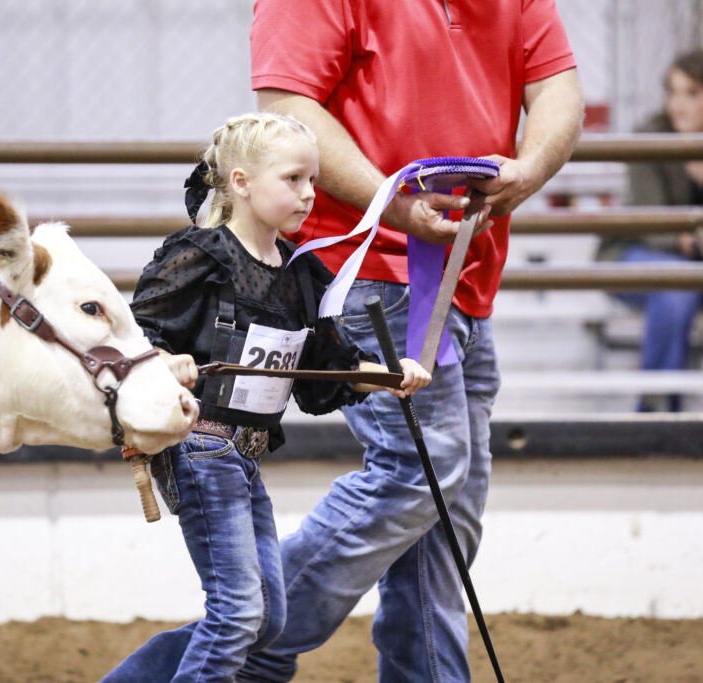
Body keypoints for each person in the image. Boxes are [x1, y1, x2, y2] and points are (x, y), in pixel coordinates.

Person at [237, 2, 584, 681]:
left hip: (462, 273)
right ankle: (242, 636)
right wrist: (389, 201)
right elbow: (286, 106)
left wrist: (529, 167)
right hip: (368, 265)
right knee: (426, 468)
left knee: (445, 507)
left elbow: (556, 86)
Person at [100, 112, 432, 682]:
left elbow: (327, 366)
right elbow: (136, 337)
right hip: (201, 448)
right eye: (293, 179)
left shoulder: (302, 273)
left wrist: (389, 372)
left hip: (245, 457)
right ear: (241, 182)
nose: (307, 195)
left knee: (266, 620)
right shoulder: (200, 254)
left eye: (312, 181)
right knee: (236, 616)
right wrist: (163, 361)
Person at [598, 49, 703, 413]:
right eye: (672, 91)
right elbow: (654, 225)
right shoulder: (650, 136)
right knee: (675, 285)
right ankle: (657, 412)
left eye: (692, 93)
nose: (677, 104)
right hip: (636, 252)